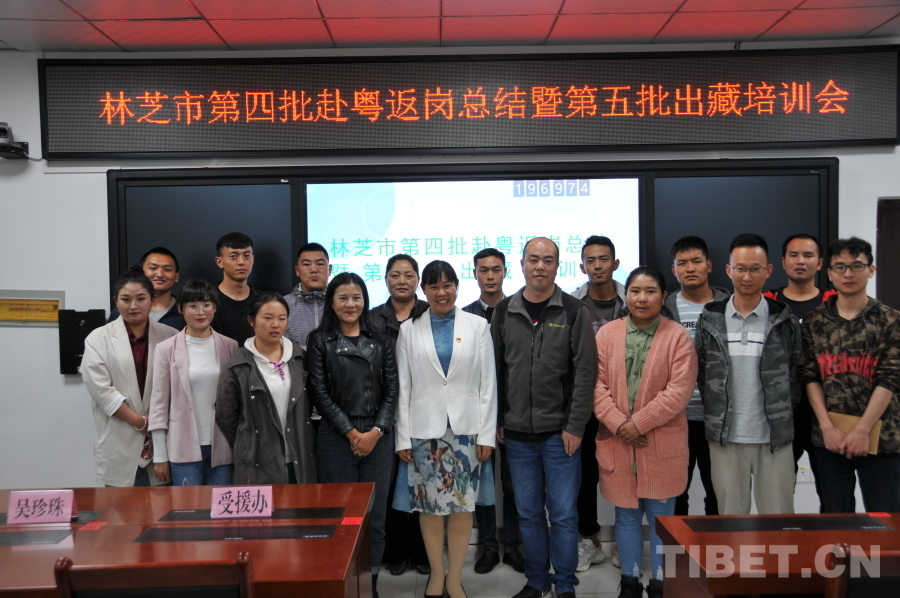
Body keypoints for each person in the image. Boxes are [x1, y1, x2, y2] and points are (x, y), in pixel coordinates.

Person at [492, 237, 597, 598]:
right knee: (529, 514)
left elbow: (585, 373)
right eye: (533, 259)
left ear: (557, 266)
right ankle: (537, 580)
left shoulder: (573, 311)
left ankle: (565, 583)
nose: (540, 266)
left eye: (548, 260)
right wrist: (500, 418)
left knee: (564, 515)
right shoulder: (504, 311)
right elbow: (497, 371)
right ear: (522, 264)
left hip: (560, 434)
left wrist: (575, 425)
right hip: (517, 435)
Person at [394, 261, 497, 598]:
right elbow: (403, 387)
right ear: (423, 290)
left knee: (463, 505)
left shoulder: (478, 326)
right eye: (434, 286)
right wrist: (402, 436)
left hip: (467, 431)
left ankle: (455, 577)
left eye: (447, 285)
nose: (441, 292)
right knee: (429, 506)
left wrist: (486, 434)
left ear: (456, 286)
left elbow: (488, 384)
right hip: (424, 432)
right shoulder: (409, 329)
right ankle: (436, 575)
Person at [594, 266, 698, 598]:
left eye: (650, 291)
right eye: (635, 291)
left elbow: (679, 391)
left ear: (663, 297)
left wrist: (636, 424)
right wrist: (617, 423)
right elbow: (594, 385)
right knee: (625, 518)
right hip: (618, 444)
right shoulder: (606, 334)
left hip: (660, 445)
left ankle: (661, 583)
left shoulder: (677, 337)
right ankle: (629, 580)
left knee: (660, 519)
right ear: (626, 295)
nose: (642, 298)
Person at [695, 233, 801, 515]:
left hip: (774, 438)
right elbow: (703, 375)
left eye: (755, 268)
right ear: (728, 270)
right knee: (732, 524)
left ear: (768, 270)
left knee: (778, 523)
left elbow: (794, 374)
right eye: (740, 268)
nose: (747, 276)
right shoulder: (710, 320)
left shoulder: (784, 320)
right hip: (726, 439)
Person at [307, 273, 398, 598]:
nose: (350, 304)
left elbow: (392, 390)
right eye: (343, 298)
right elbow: (318, 392)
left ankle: (370, 585)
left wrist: (375, 431)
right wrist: (350, 432)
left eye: (356, 297)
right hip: (335, 437)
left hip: (377, 438)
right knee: (340, 517)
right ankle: (344, 585)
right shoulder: (320, 340)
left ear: (365, 301)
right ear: (332, 303)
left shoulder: (381, 339)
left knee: (375, 517)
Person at [799, 237, 900, 513]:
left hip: (881, 438)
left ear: (871, 270)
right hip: (830, 439)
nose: (848, 273)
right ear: (829, 273)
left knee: (886, 520)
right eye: (840, 267)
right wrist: (826, 427)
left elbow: (890, 378)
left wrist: (862, 430)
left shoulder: (891, 321)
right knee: (835, 519)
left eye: (856, 266)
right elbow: (810, 376)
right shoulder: (814, 321)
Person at [82, 267, 178, 487]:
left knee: (163, 505)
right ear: (116, 302)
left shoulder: (171, 336)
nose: (133, 306)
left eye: (141, 298)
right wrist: (141, 422)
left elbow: (178, 389)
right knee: (121, 506)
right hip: (119, 437)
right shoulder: (98, 339)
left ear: (152, 301)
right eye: (126, 299)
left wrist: (156, 426)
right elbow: (102, 392)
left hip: (162, 441)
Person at [462, 248, 526, 574]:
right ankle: (488, 547)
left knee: (514, 485)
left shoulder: (518, 310)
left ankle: (513, 546)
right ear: (474, 274)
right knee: (482, 484)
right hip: (475, 415)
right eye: (483, 270)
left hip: (514, 413)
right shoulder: (464, 316)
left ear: (505, 272)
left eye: (496, 269)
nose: (490, 276)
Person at [764, 233, 837, 512]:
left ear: (820, 263)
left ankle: (833, 541)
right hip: (780, 413)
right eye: (794, 255)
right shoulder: (767, 303)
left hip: (827, 414)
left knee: (833, 495)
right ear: (783, 262)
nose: (800, 261)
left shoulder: (834, 302)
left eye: (808, 255)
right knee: (778, 497)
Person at [215, 291, 316, 485]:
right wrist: (248, 444)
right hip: (258, 462)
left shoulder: (300, 358)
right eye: (268, 318)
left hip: (300, 457)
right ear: (251, 321)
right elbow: (225, 415)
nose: (275, 324)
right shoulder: (237, 365)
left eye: (282, 318)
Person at [371, 254, 431, 577]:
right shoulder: (372, 318)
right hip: (384, 410)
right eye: (395, 275)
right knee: (392, 483)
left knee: (423, 481)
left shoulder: (431, 313)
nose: (402, 281)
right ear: (385, 279)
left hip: (424, 408)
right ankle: (394, 552)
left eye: (409, 275)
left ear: (418, 280)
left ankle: (422, 552)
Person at [148, 279, 238, 486]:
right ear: (181, 309)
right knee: (187, 505)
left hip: (222, 446)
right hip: (183, 447)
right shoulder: (166, 349)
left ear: (214, 307)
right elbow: (159, 405)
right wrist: (160, 456)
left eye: (206, 304)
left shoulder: (230, 346)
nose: (201, 312)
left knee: (220, 505)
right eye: (193, 306)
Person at [571, 235, 625, 570]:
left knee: (625, 474)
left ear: (615, 263)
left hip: (624, 406)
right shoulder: (572, 304)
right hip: (584, 405)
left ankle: (624, 541)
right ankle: (589, 540)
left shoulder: (632, 299)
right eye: (590, 260)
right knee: (584, 476)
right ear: (582, 266)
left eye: (603, 259)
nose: (597, 266)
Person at [665, 236, 729, 517]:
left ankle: (716, 544)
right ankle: (678, 545)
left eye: (696, 261)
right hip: (675, 419)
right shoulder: (663, 308)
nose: (690, 268)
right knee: (675, 495)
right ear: (673, 270)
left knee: (718, 494)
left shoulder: (730, 305)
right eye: (682, 263)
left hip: (719, 418)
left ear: (709, 265)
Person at [108, 247, 185, 331]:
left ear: (176, 276)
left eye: (167, 269)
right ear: (141, 273)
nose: (159, 274)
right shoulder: (120, 312)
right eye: (153, 268)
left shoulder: (185, 312)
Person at [284, 242, 332, 350]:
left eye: (320, 264)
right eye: (306, 264)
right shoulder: (284, 305)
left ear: (329, 270)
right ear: (297, 271)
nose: (314, 270)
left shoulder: (341, 304)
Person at [213, 232, 258, 343]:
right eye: (233, 256)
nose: (241, 262)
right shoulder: (207, 300)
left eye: (247, 256)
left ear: (253, 259)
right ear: (219, 262)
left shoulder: (263, 301)